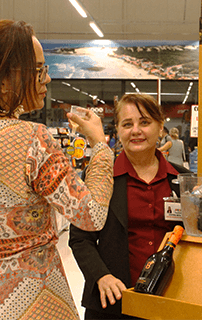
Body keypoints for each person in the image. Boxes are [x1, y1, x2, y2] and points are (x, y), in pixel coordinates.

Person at [0, 20, 114, 320]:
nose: (48, 78)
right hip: (35, 300)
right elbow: (91, 215)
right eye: (38, 70)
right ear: (3, 79)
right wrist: (100, 146)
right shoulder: (31, 140)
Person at [69, 93, 188, 320]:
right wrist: (101, 276)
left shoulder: (182, 180)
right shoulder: (100, 176)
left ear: (160, 127)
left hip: (171, 300)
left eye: (144, 122)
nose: (136, 130)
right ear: (117, 131)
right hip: (114, 300)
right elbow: (80, 238)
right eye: (127, 124)